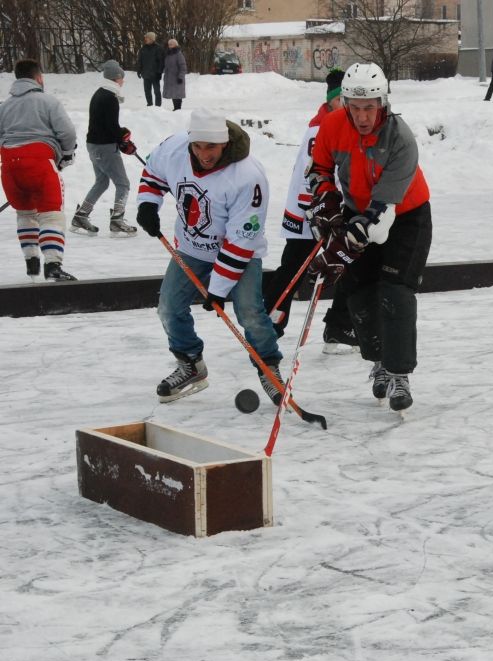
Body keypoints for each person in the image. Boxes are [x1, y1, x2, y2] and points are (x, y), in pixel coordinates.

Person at [306, 63, 432, 413]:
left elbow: (378, 222)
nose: (362, 116)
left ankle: (400, 372)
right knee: (359, 294)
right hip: (355, 209)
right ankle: (379, 361)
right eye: (355, 107)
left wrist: (336, 253)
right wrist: (328, 204)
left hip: (405, 216)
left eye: (369, 108)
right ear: (345, 103)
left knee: (395, 292)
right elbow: (317, 170)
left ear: (383, 103)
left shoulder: (400, 138)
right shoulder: (332, 125)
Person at [135, 109, 283, 404]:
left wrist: (217, 290)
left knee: (249, 312)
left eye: (211, 147)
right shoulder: (176, 148)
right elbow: (153, 172)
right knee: (168, 307)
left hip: (239, 252)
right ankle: (190, 362)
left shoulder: (248, 176)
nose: (203, 154)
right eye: (198, 146)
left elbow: (241, 240)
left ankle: (269, 366)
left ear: (225, 143)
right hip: (191, 248)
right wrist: (148, 204)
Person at [264, 68, 357, 353]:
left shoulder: (337, 123)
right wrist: (323, 209)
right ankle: (270, 325)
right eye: (342, 99)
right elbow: (317, 173)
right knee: (293, 267)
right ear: (332, 101)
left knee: (350, 265)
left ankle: (339, 326)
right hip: (311, 209)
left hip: (328, 209)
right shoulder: (323, 127)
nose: (347, 105)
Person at [0, 59, 77, 282]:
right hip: (39, 162)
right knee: (50, 213)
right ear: (39, 77)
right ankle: (52, 265)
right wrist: (66, 154)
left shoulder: (4, 106)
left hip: (10, 165)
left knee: (25, 213)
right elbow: (68, 132)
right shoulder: (48, 101)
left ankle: (31, 261)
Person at [70, 60, 138, 237]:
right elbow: (111, 126)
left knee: (102, 181)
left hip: (94, 145)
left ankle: (81, 215)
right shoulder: (109, 97)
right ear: (117, 77)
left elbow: (106, 124)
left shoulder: (100, 93)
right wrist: (123, 138)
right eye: (122, 77)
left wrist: (122, 138)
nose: (123, 81)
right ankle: (117, 220)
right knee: (123, 184)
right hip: (104, 147)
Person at [137, 32, 164, 107]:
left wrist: (159, 72)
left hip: (155, 74)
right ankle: (149, 105)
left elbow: (161, 62)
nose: (145, 39)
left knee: (157, 91)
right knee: (147, 91)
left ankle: (158, 107)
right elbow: (140, 60)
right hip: (145, 74)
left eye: (147, 38)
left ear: (151, 39)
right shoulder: (143, 48)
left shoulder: (158, 48)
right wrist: (139, 70)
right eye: (145, 37)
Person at [163, 38, 187, 111]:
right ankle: (176, 109)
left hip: (177, 77)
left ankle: (178, 109)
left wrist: (180, 77)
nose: (170, 46)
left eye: (171, 44)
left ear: (176, 45)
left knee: (177, 94)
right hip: (170, 78)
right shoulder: (168, 54)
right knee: (174, 94)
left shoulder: (178, 54)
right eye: (169, 44)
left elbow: (183, 67)